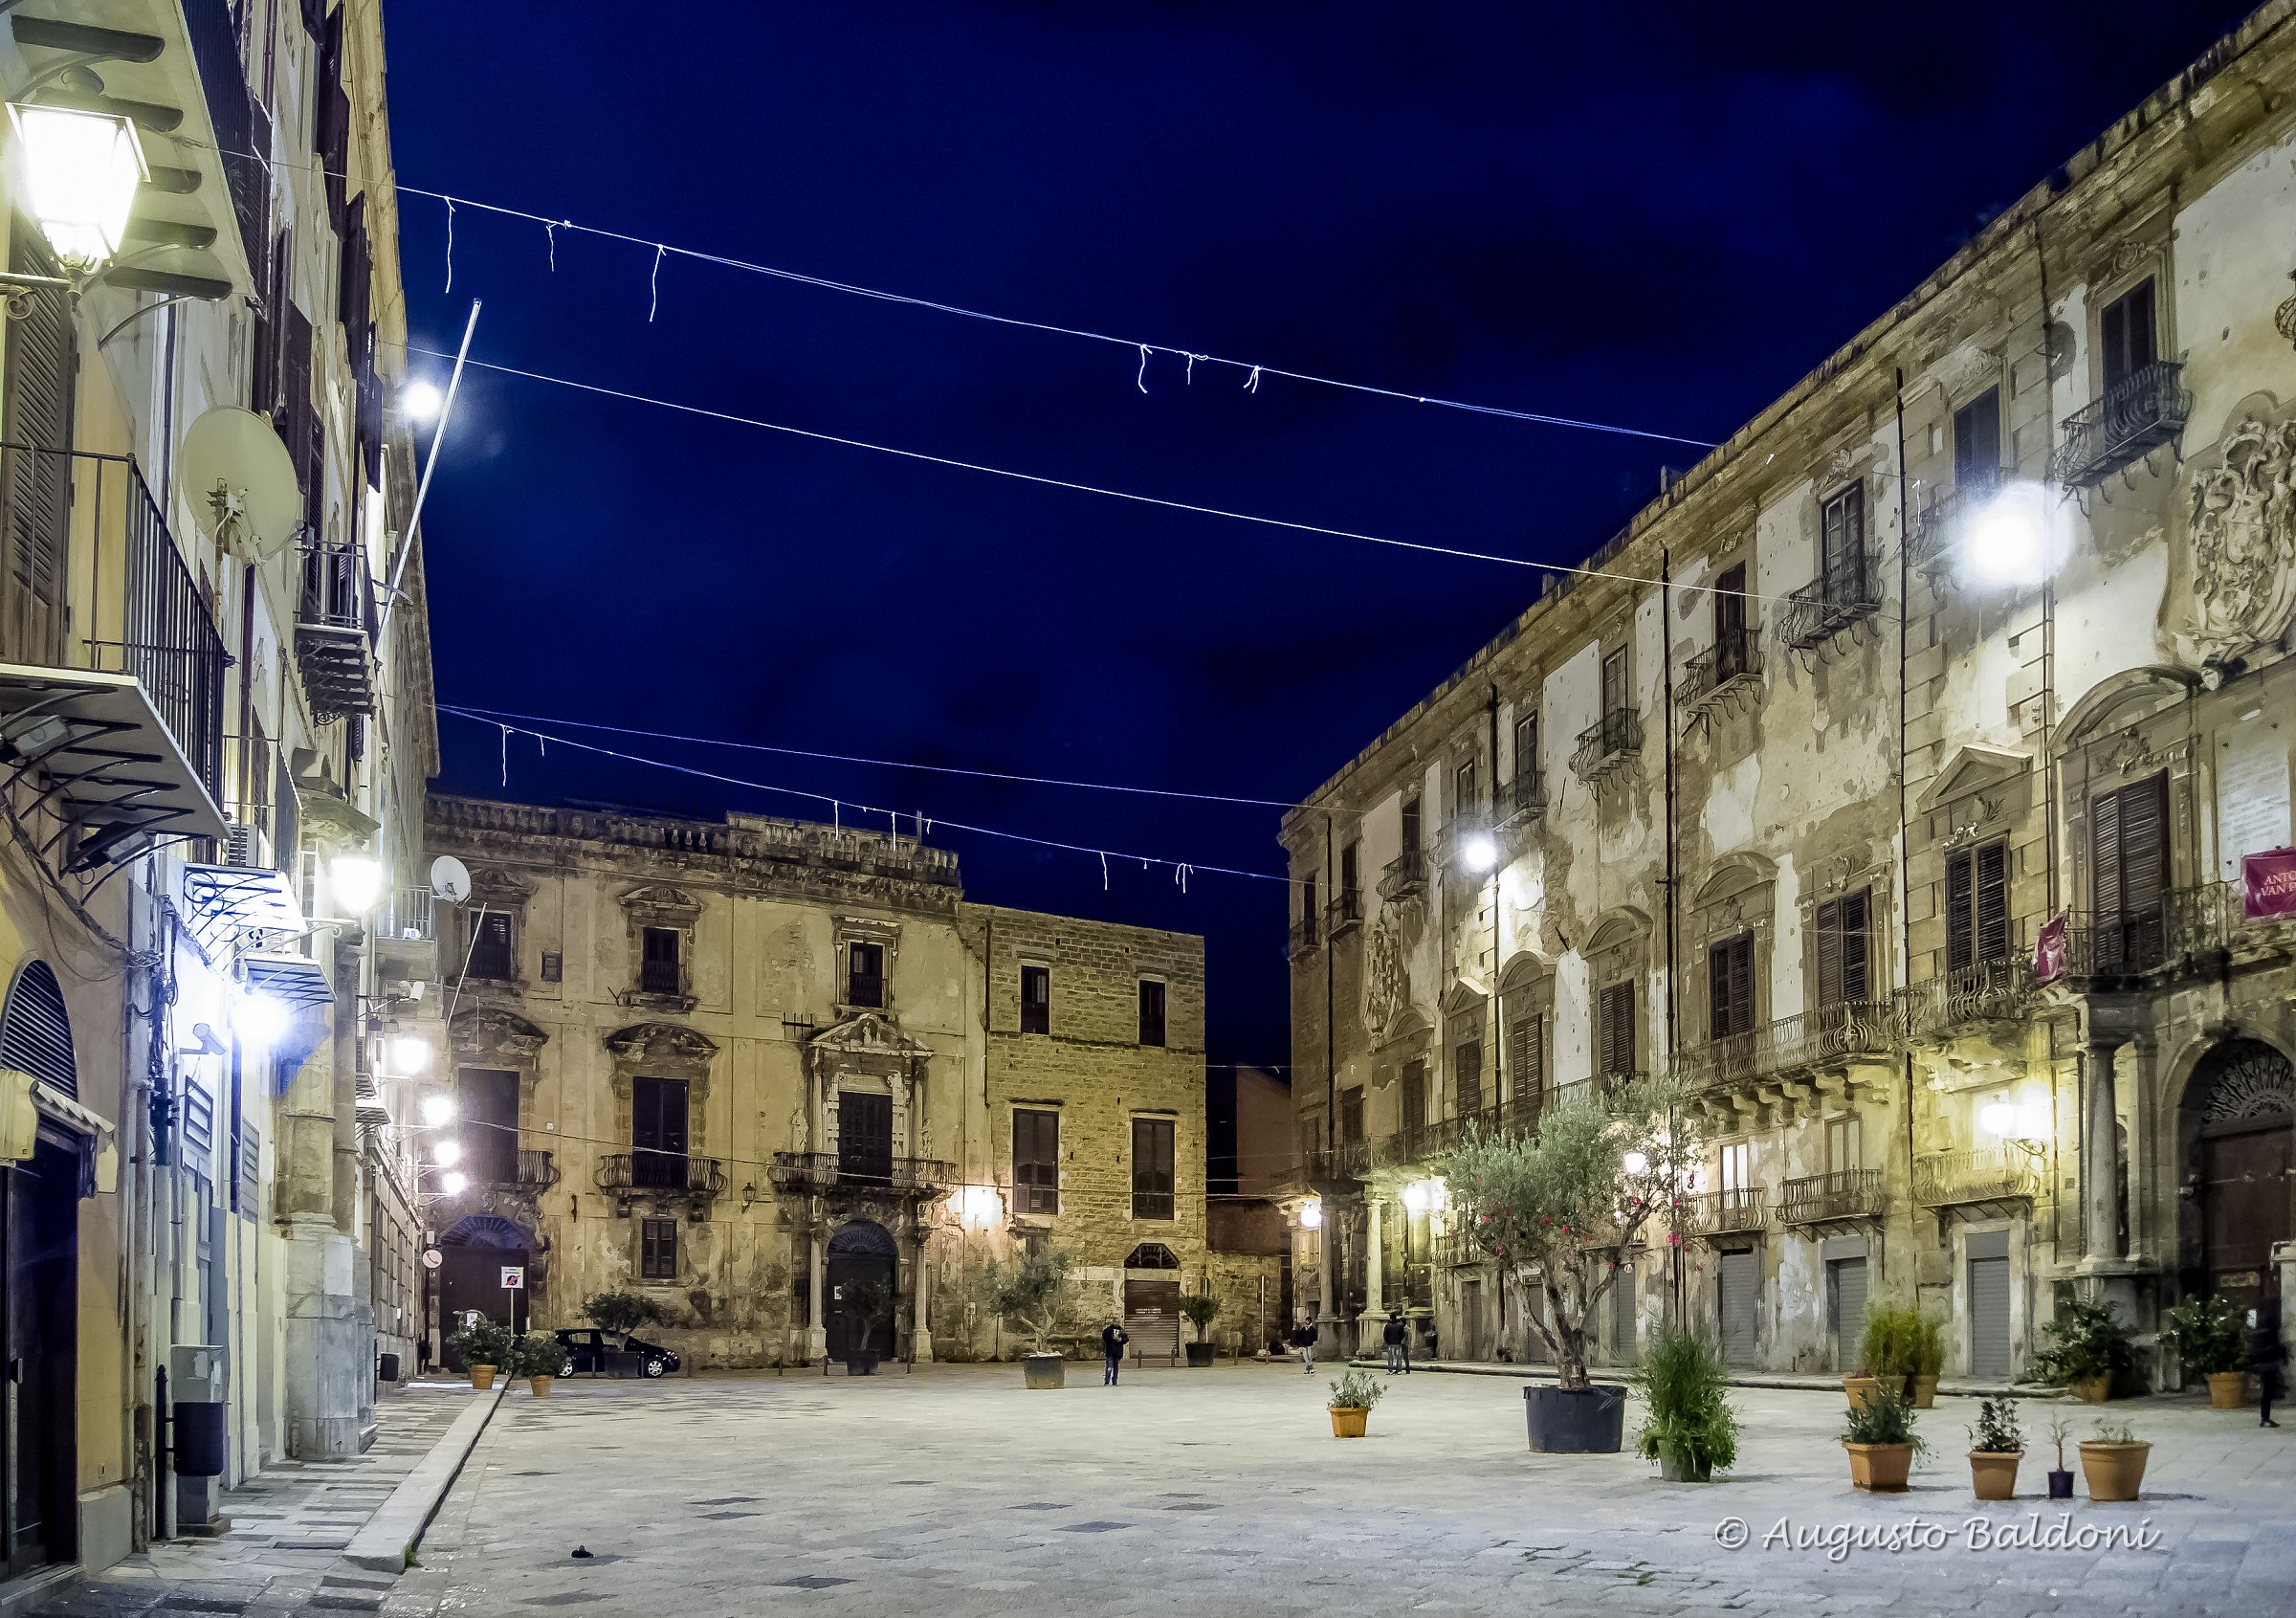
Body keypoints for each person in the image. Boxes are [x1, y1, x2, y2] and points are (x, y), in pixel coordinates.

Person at [2255, 1270, 2286, 1430]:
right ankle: (2265, 1418)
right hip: (2269, 1360)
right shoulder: (2270, 1322)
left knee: (2267, 1390)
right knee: (2268, 1391)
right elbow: (2273, 1341)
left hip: (2264, 1360)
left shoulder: (2261, 1321)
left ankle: (2265, 1417)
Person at [1101, 1319, 1129, 1385]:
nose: (1117, 1323)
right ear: (1113, 1322)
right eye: (1115, 1321)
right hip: (1110, 1351)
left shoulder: (1122, 1330)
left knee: (1116, 1368)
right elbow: (1104, 1337)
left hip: (1118, 1352)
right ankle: (1107, 1381)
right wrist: (1112, 1338)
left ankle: (1115, 1381)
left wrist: (1121, 1339)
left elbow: (1126, 1339)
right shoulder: (1108, 1330)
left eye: (1118, 1322)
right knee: (1109, 1366)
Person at [1383, 1308, 1410, 1374]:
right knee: (1398, 1357)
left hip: (1390, 1344)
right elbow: (1402, 1335)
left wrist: (1388, 1342)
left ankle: (1390, 1370)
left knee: (1391, 1357)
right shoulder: (1400, 1326)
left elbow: (1385, 1335)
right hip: (1398, 1344)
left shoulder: (1387, 1326)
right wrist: (1399, 1341)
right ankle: (1398, 1370)